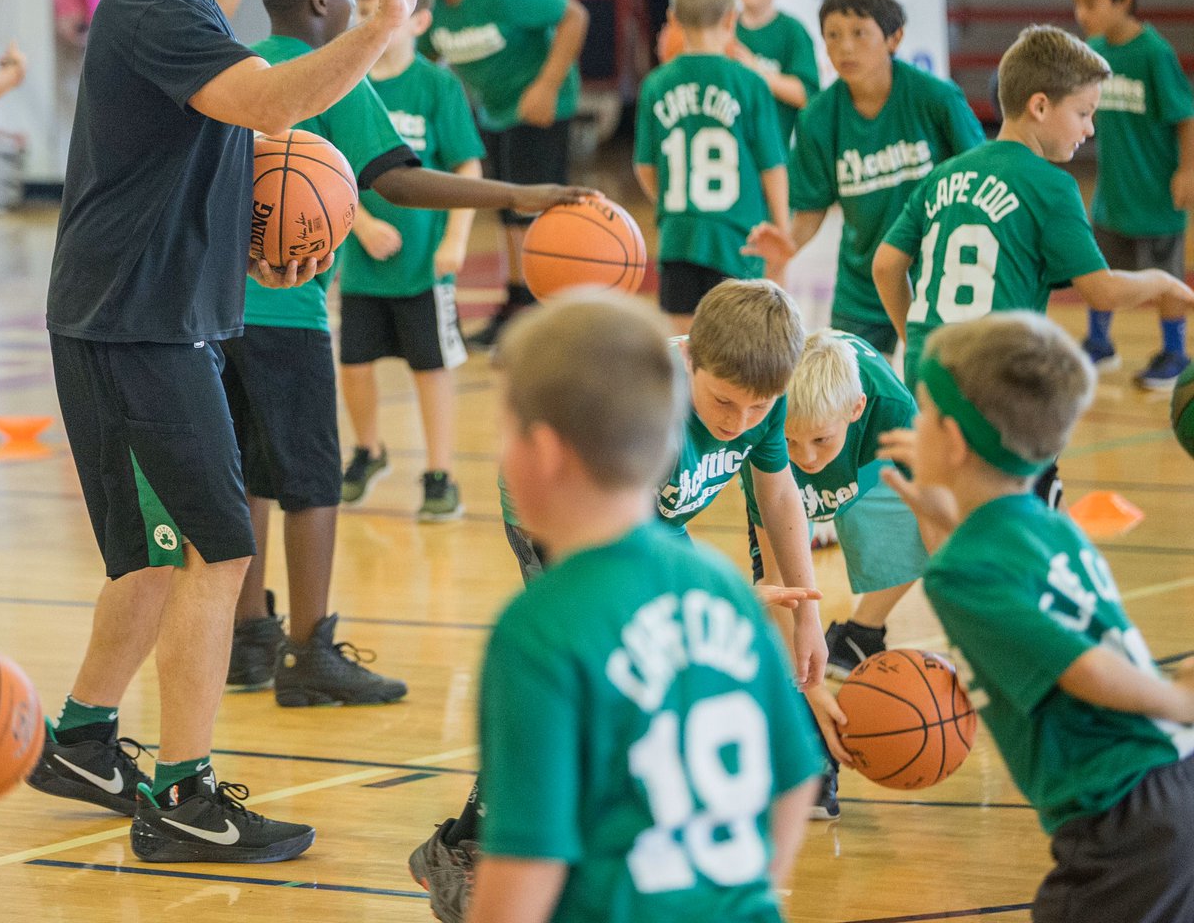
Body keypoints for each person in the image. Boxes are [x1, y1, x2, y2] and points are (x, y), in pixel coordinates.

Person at [33, 0, 452, 864]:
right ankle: (182, 801)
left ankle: (82, 739)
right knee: (222, 551)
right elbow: (275, 100)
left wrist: (252, 245)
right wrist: (377, 30)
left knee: (157, 561)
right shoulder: (151, 7)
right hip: (136, 327)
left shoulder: (184, 5)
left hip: (151, 315)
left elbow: (216, 149)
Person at [223, 0, 594, 703]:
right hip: (288, 313)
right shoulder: (333, 77)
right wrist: (518, 197)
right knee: (313, 484)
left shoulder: (235, 72)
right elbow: (399, 180)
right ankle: (308, 653)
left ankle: (248, 637)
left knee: (249, 476)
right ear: (326, 1)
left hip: (219, 313)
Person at [410, 279, 830, 921]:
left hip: (654, 541)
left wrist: (808, 610)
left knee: (624, 686)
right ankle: (474, 840)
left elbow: (777, 495)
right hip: (568, 524)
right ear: (689, 360)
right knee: (597, 677)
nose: (739, 421)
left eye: (759, 408)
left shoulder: (754, 394)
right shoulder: (631, 409)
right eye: (723, 402)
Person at [878, 312, 1194, 923]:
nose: (911, 426)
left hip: (1120, 813)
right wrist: (949, 518)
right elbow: (1000, 557)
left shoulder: (958, 573)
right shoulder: (1048, 523)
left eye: (921, 412)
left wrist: (1178, 700)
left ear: (954, 441)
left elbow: (1086, 671)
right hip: (1169, 781)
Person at [873, 24, 1194, 392]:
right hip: (993, 372)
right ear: (1040, 106)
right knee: (1045, 436)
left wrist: (914, 339)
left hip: (925, 367)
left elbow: (885, 266)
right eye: (1084, 113)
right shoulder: (1052, 187)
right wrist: (1161, 281)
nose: (1090, 129)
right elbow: (1102, 292)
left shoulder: (943, 174)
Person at [746, 0, 985, 359]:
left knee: (939, 393)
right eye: (833, 35)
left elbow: (982, 177)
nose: (845, 46)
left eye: (859, 33)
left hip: (936, 277)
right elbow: (813, 207)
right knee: (851, 394)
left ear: (894, 38)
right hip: (862, 283)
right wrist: (787, 244)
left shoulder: (936, 99)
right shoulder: (818, 117)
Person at [402, 0, 589, 348]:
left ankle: (551, 305)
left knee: (536, 208)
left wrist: (546, 85)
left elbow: (574, 16)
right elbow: (423, 58)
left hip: (540, 107)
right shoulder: (434, 6)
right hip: (495, 110)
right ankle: (519, 298)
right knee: (507, 207)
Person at [336, 0, 485, 516]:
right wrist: (361, 224)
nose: (372, 24)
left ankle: (439, 471)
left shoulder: (438, 86)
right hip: (363, 263)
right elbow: (329, 170)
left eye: (386, 14)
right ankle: (368, 450)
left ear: (418, 20)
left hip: (425, 264)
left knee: (431, 368)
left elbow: (466, 163)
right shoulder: (351, 80)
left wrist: (457, 237)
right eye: (364, 14)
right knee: (353, 365)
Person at [742, 329, 924, 674]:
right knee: (777, 592)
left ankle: (860, 634)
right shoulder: (763, 426)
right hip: (779, 476)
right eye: (791, 440)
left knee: (931, 526)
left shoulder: (893, 408)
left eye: (820, 439)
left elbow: (938, 517)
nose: (806, 457)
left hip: (865, 459)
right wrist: (801, 678)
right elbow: (778, 578)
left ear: (857, 409)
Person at [634, 0, 789, 334]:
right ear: (731, 19)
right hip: (737, 238)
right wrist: (782, 229)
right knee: (740, 347)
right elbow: (772, 164)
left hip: (678, 237)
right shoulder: (749, 83)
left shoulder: (656, 84)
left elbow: (645, 167)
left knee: (687, 347)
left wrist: (674, 204)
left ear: (673, 18)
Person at [1069, 0, 1194, 389]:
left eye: (1091, 3)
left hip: (1156, 195)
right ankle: (1100, 344)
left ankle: (1176, 353)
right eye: (1076, 3)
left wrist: (1187, 171)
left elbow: (1185, 116)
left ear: (1124, 1)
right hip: (1113, 193)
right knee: (1099, 269)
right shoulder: (1093, 54)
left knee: (1164, 280)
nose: (1081, 14)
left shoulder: (1154, 53)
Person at [729, 0, 820, 149]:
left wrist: (757, 72)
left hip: (776, 156)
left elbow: (807, 95)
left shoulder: (792, 32)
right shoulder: (723, 27)